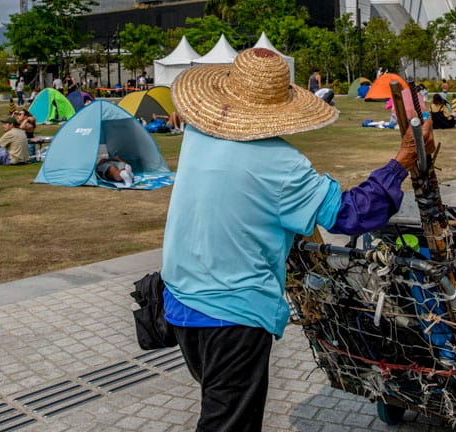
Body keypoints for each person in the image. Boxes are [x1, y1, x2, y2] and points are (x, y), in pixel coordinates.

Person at [161, 48, 434, 431]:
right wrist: (402, 160)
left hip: (179, 303)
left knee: (221, 406)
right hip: (232, 316)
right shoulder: (280, 165)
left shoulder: (198, 132)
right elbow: (350, 215)